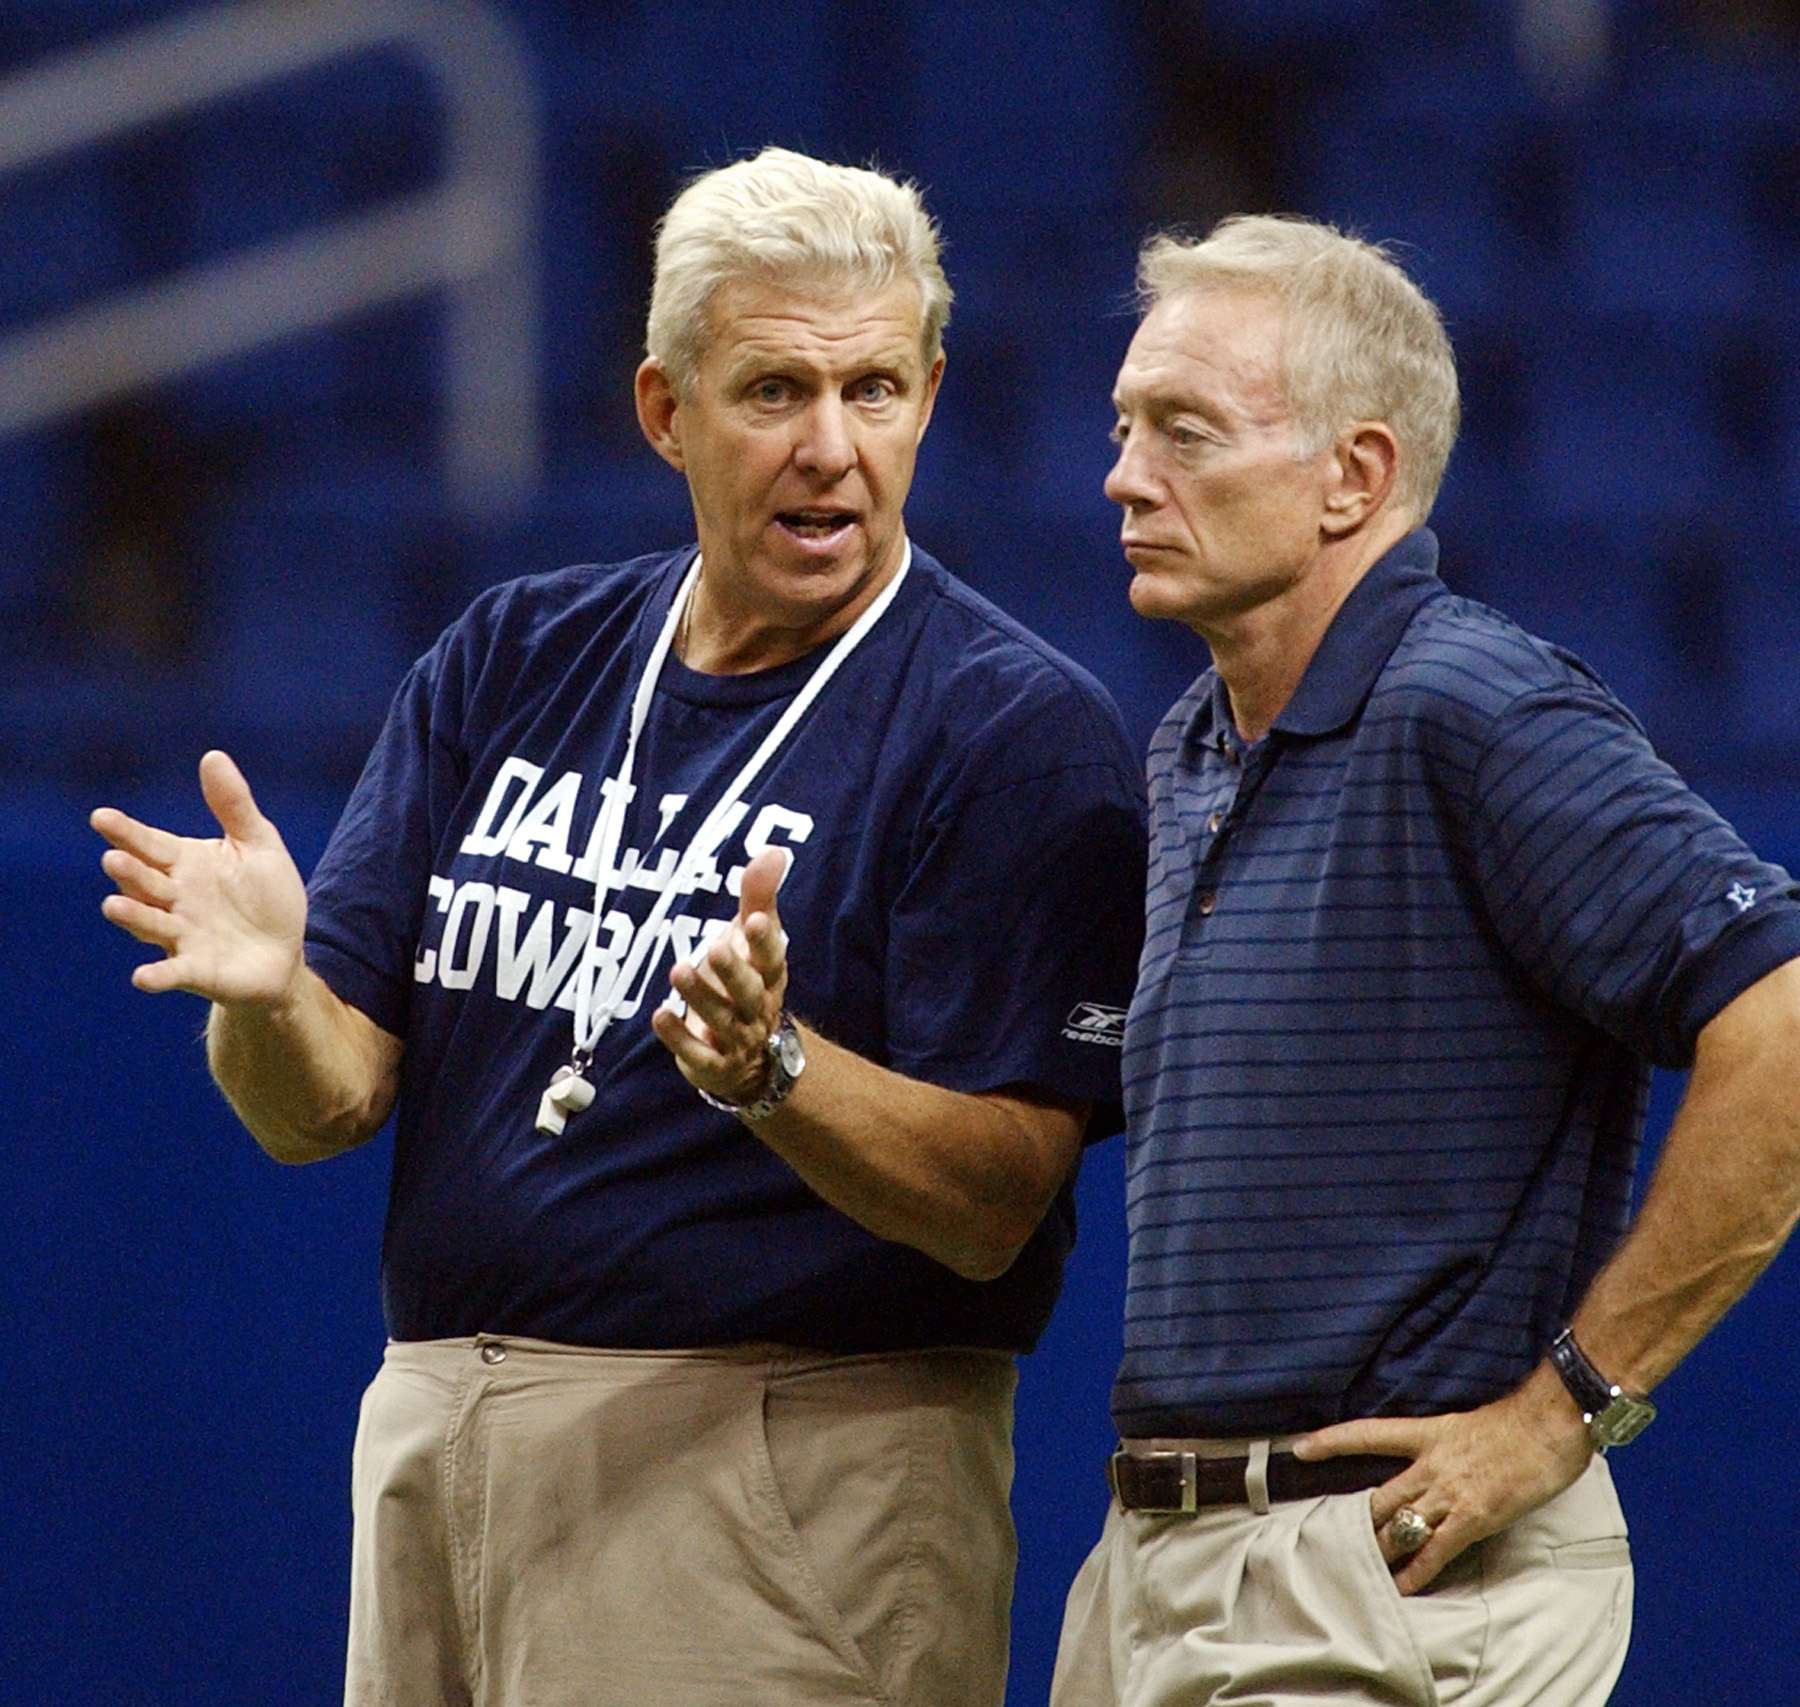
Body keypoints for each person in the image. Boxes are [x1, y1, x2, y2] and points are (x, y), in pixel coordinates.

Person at [91, 147, 1146, 1707]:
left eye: (874, 391)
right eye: (775, 391)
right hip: (442, 1439)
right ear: (666, 409)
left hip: (782, 1476)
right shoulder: (515, 650)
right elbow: (324, 1106)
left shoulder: (1012, 731)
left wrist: (774, 1072)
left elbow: (1000, 1200)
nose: (833, 450)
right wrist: (262, 1000)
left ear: (931, 394)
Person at [1052, 213, 1800, 1707]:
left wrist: (1565, 1411)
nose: (1127, 476)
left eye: (1186, 432)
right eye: (1128, 426)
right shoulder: (1195, 741)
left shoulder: (1477, 708)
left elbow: (1784, 1025)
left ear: (1357, 477)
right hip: (1162, 1563)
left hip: (1384, 1581)